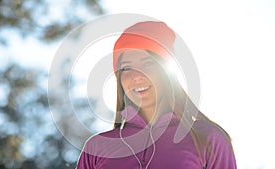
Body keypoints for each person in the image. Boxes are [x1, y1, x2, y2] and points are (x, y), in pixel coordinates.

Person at [75, 21, 237, 169]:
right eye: (126, 68)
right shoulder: (97, 148)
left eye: (148, 64)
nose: (136, 76)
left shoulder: (208, 139)